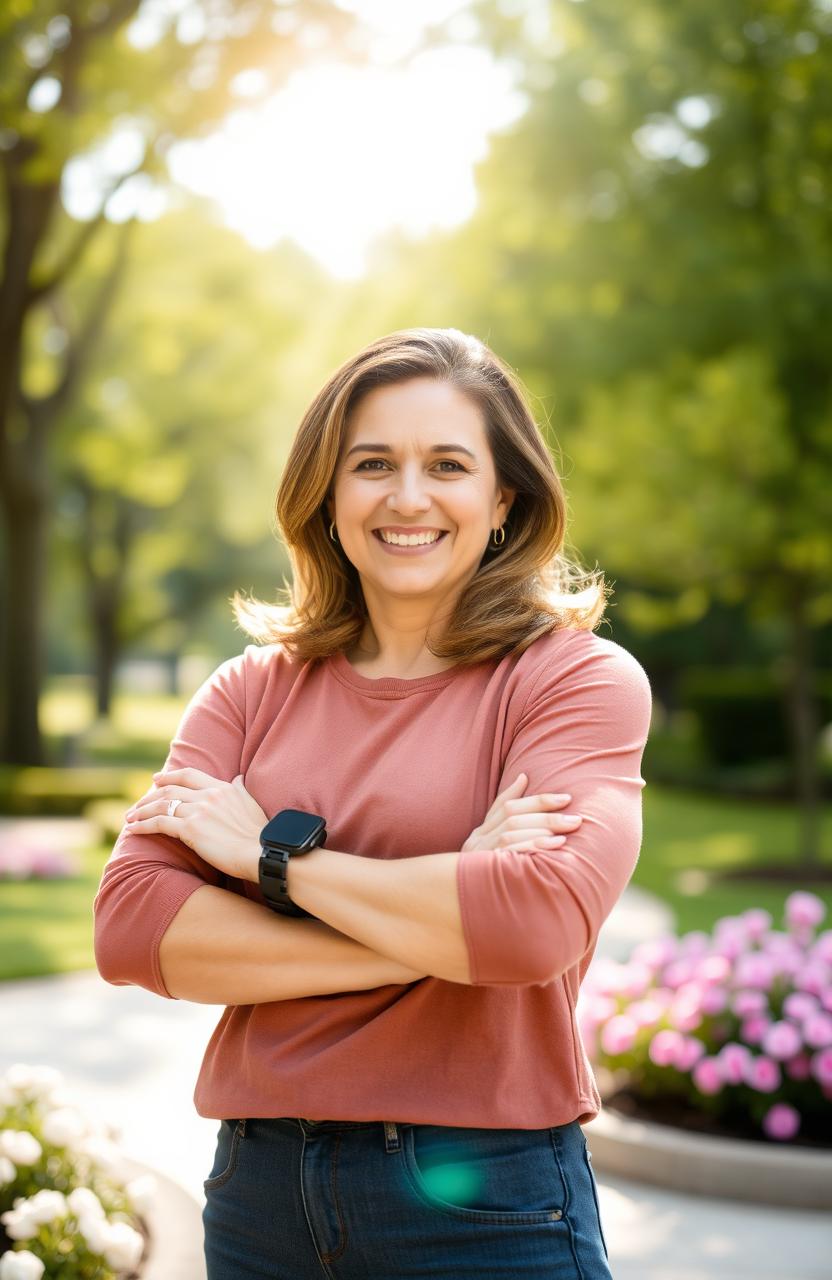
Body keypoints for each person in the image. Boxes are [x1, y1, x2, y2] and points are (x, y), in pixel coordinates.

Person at [93, 326, 652, 1279]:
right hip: (260, 1195)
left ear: (503, 499)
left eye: (448, 465)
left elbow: (533, 922)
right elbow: (133, 928)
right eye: (373, 464)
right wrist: (444, 915)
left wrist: (272, 861)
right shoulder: (249, 690)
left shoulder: (573, 680)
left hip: (484, 1203)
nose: (408, 497)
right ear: (329, 493)